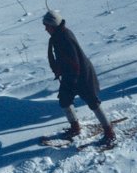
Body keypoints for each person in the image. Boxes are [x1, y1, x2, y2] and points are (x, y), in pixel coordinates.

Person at [43, 9, 115, 144]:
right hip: (70, 75)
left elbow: (74, 62)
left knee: (93, 102)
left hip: (82, 76)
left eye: (47, 25)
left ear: (53, 25)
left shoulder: (65, 38)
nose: (45, 29)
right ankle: (75, 126)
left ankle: (109, 131)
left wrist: (71, 79)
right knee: (64, 100)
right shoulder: (58, 36)